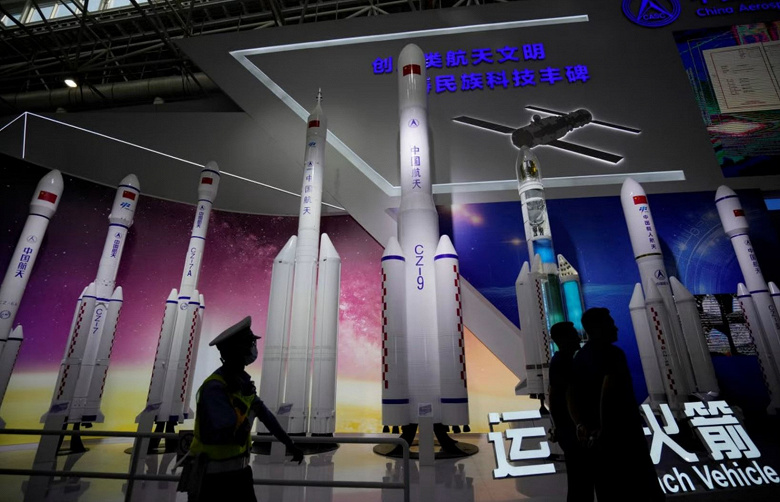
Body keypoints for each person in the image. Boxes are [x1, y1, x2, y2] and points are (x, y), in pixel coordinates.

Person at [183, 316, 304, 501]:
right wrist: (252, 412)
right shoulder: (214, 388)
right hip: (213, 481)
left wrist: (290, 445)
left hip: (240, 474)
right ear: (237, 350)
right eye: (249, 344)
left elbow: (267, 417)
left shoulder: (242, 384)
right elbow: (231, 434)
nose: (253, 349)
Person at [568, 308, 664, 502]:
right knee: (642, 488)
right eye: (610, 323)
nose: (615, 328)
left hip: (596, 439)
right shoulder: (612, 354)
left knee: (608, 489)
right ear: (598, 327)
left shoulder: (580, 357)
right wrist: (606, 429)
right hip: (622, 436)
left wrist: (581, 425)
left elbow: (570, 394)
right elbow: (608, 392)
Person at [548, 321, 592, 502]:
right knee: (580, 480)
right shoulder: (562, 363)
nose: (577, 337)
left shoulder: (564, 361)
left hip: (569, 429)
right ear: (563, 338)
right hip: (572, 430)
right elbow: (566, 395)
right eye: (573, 333)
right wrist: (578, 424)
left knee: (580, 480)